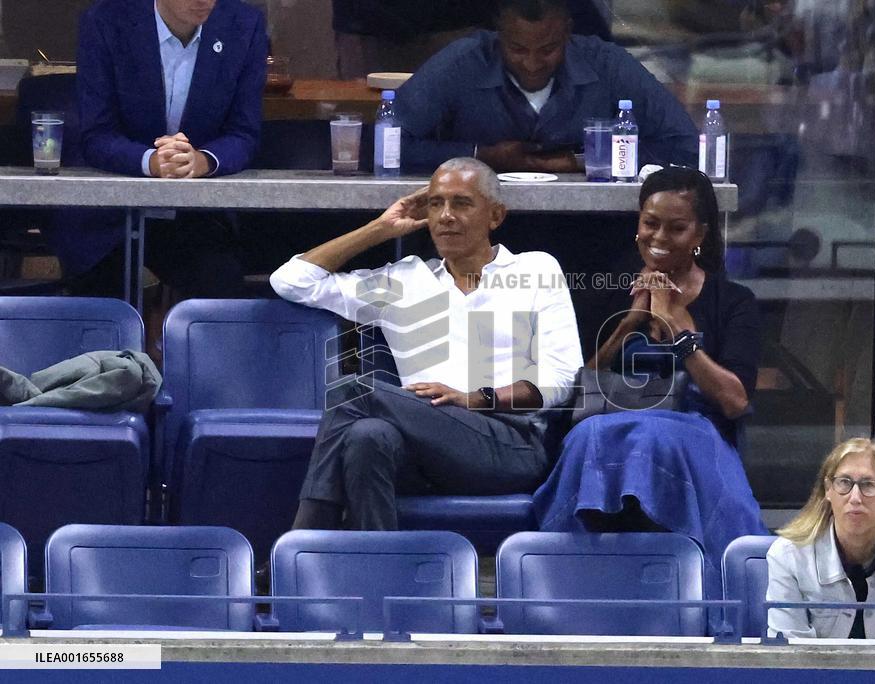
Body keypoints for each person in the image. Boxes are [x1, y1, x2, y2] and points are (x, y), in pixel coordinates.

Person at [270, 157, 582, 530]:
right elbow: (292, 281)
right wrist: (379, 228)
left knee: (354, 391)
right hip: (422, 448)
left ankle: (307, 532)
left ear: (495, 216)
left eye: (461, 203)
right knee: (367, 436)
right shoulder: (402, 282)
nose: (446, 216)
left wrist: (474, 398)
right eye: (435, 204)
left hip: (509, 444)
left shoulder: (535, 270)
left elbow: (563, 378)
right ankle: (376, 560)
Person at [533, 166, 767, 600]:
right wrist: (631, 322)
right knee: (595, 435)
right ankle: (567, 598)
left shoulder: (734, 301)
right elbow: (578, 388)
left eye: (676, 228)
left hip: (696, 434)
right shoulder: (608, 290)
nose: (659, 237)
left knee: (648, 436)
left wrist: (676, 326)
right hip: (605, 426)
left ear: (700, 233)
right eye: (650, 223)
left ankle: (711, 602)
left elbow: (734, 401)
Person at [62, 0, 268, 298]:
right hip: (111, 212)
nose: (204, 0)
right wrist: (152, 162)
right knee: (99, 295)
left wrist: (202, 161)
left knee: (219, 280)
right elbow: (96, 133)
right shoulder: (106, 21)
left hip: (196, 211)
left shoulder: (244, 25)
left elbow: (243, 133)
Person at [394, 0, 698, 173]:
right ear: (499, 35)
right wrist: (479, 155)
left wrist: (585, 160)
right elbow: (388, 146)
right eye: (517, 49)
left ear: (567, 33)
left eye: (548, 49)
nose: (532, 63)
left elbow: (686, 146)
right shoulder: (463, 62)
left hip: (594, 230)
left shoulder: (607, 63)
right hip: (479, 233)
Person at [766, 438, 875, 639]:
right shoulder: (788, 555)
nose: (855, 498)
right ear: (828, 490)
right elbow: (789, 648)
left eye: (868, 485)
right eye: (844, 483)